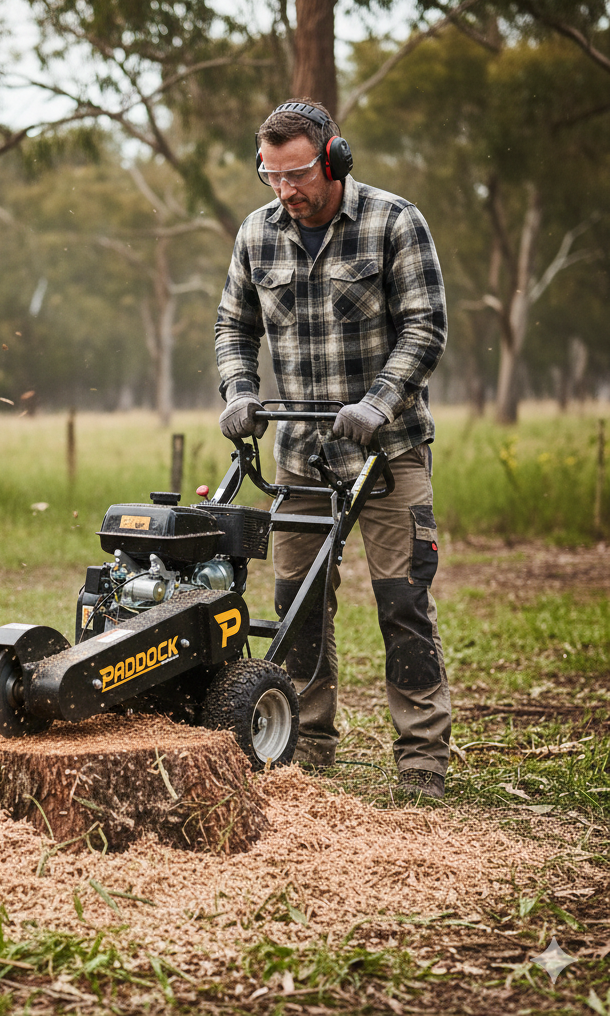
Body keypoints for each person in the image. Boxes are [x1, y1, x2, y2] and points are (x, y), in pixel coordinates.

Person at [214, 98, 450, 800]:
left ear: (334, 159)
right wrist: (238, 391)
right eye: (272, 176)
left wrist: (377, 402)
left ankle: (422, 760)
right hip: (299, 452)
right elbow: (234, 325)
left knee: (402, 602)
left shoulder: (392, 222)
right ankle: (306, 744)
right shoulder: (257, 235)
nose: (287, 191)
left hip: (390, 450)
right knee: (298, 602)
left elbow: (425, 328)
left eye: (298, 175)